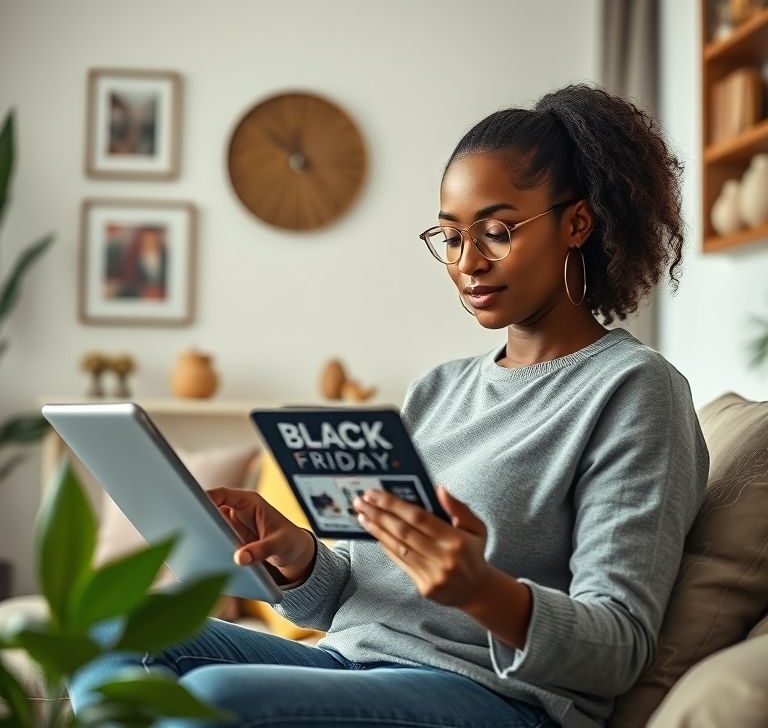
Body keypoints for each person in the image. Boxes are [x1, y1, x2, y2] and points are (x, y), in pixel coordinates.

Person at [68, 84, 709, 728]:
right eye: (451, 237)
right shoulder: (438, 388)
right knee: (107, 634)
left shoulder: (634, 390)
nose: (467, 264)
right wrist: (297, 558)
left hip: (492, 697)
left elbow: (619, 647)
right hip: (350, 662)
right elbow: (363, 595)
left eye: (495, 231)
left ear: (576, 222)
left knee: (214, 701)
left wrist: (484, 594)